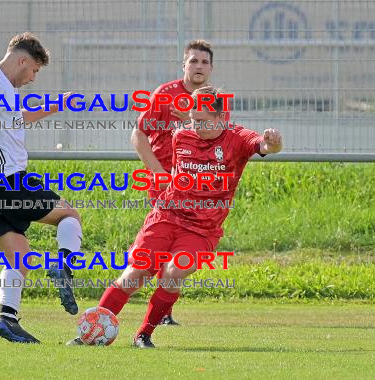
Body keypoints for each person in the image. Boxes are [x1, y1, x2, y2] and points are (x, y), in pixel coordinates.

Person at [68, 86, 283, 348]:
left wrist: (273, 143)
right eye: (193, 118)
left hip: (202, 229)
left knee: (173, 272)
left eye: (202, 120)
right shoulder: (181, 135)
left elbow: (263, 146)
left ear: (221, 118)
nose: (196, 125)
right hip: (166, 216)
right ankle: (89, 333)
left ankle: (144, 334)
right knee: (135, 274)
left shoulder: (237, 139)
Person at [0, 32, 82, 344]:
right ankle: (64, 267)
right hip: (6, 183)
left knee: (19, 256)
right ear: (23, 60)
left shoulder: (3, 85)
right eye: (34, 71)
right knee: (69, 215)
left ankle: (7, 319)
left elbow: (16, 120)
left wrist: (56, 105)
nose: (32, 77)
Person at [131, 39, 228, 326]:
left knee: (183, 251)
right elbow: (138, 135)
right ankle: (159, 313)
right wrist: (158, 172)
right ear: (184, 65)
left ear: (211, 68)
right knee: (163, 245)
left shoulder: (215, 101)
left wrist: (191, 118)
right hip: (167, 185)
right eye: (193, 61)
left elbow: (222, 139)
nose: (199, 66)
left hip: (201, 192)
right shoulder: (165, 94)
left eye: (204, 62)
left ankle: (162, 313)